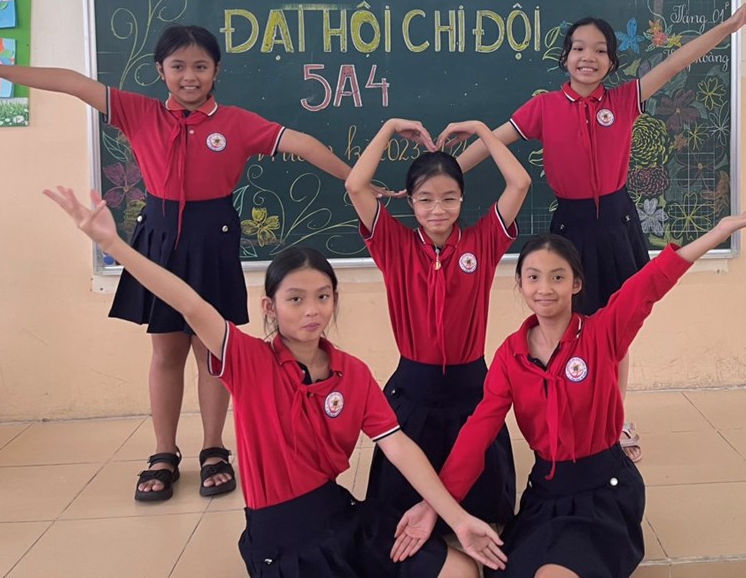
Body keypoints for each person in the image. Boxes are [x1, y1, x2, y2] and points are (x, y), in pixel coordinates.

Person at [0, 25, 355, 502]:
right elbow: (72, 82)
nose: (189, 76)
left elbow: (303, 144)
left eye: (200, 66)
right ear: (160, 70)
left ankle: (214, 449)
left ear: (216, 71)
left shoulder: (237, 123)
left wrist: (357, 181)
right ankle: (163, 452)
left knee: (214, 353)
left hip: (213, 240)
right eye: (178, 66)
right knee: (165, 351)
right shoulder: (137, 112)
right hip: (158, 240)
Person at [44, 186, 508, 577]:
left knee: (461, 570)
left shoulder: (353, 373)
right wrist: (115, 245)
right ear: (270, 307)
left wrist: (455, 518)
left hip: (341, 515)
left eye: (322, 297)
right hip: (283, 541)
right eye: (296, 299)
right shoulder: (247, 361)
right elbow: (189, 302)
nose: (312, 310)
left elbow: (399, 446)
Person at [393, 190, 746, 578]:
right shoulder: (511, 356)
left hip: (602, 494)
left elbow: (648, 284)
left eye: (558, 277)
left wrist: (720, 232)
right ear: (520, 284)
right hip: (545, 496)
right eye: (533, 277)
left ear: (577, 283)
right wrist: (436, 505)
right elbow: (477, 434)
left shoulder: (602, 333)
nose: (545, 288)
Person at [454, 0, 746, 461]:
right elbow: (490, 143)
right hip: (571, 228)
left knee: (616, 330)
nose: (589, 57)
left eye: (600, 50)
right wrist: (440, 178)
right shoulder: (543, 107)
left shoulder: (624, 100)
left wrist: (730, 25)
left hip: (618, 224)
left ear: (612, 62)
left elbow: (677, 62)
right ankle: (578, 412)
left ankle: (614, 421)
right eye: (579, 48)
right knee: (570, 325)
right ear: (565, 57)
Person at [346, 118, 531, 527]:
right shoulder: (394, 244)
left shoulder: (482, 242)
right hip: (414, 389)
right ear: (410, 201)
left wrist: (482, 130)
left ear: (462, 199)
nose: (437, 210)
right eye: (425, 199)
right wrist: (388, 127)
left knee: (484, 504)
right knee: (398, 509)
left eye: (449, 198)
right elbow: (356, 185)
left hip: (472, 388)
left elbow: (519, 183)